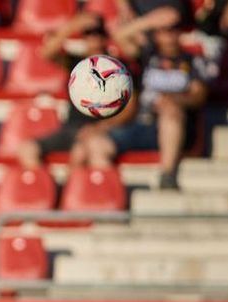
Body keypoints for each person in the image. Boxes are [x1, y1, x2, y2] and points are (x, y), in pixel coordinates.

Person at [81, 21, 208, 188]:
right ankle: (111, 194)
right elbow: (120, 35)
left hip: (176, 127)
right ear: (156, 34)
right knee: (95, 143)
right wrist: (154, 19)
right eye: (163, 30)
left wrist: (175, 100)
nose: (168, 35)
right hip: (141, 125)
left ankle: (167, 175)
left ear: (180, 33)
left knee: (170, 113)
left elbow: (199, 95)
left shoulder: (192, 61)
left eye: (173, 29)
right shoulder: (147, 57)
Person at [17, 14, 134, 170]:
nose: (94, 40)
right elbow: (46, 53)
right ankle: (45, 190)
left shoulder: (119, 69)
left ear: (106, 37)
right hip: (71, 129)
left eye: (98, 34)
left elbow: (130, 108)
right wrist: (71, 28)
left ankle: (76, 191)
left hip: (101, 130)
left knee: (82, 153)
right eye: (89, 35)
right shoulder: (78, 65)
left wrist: (101, 127)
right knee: (27, 149)